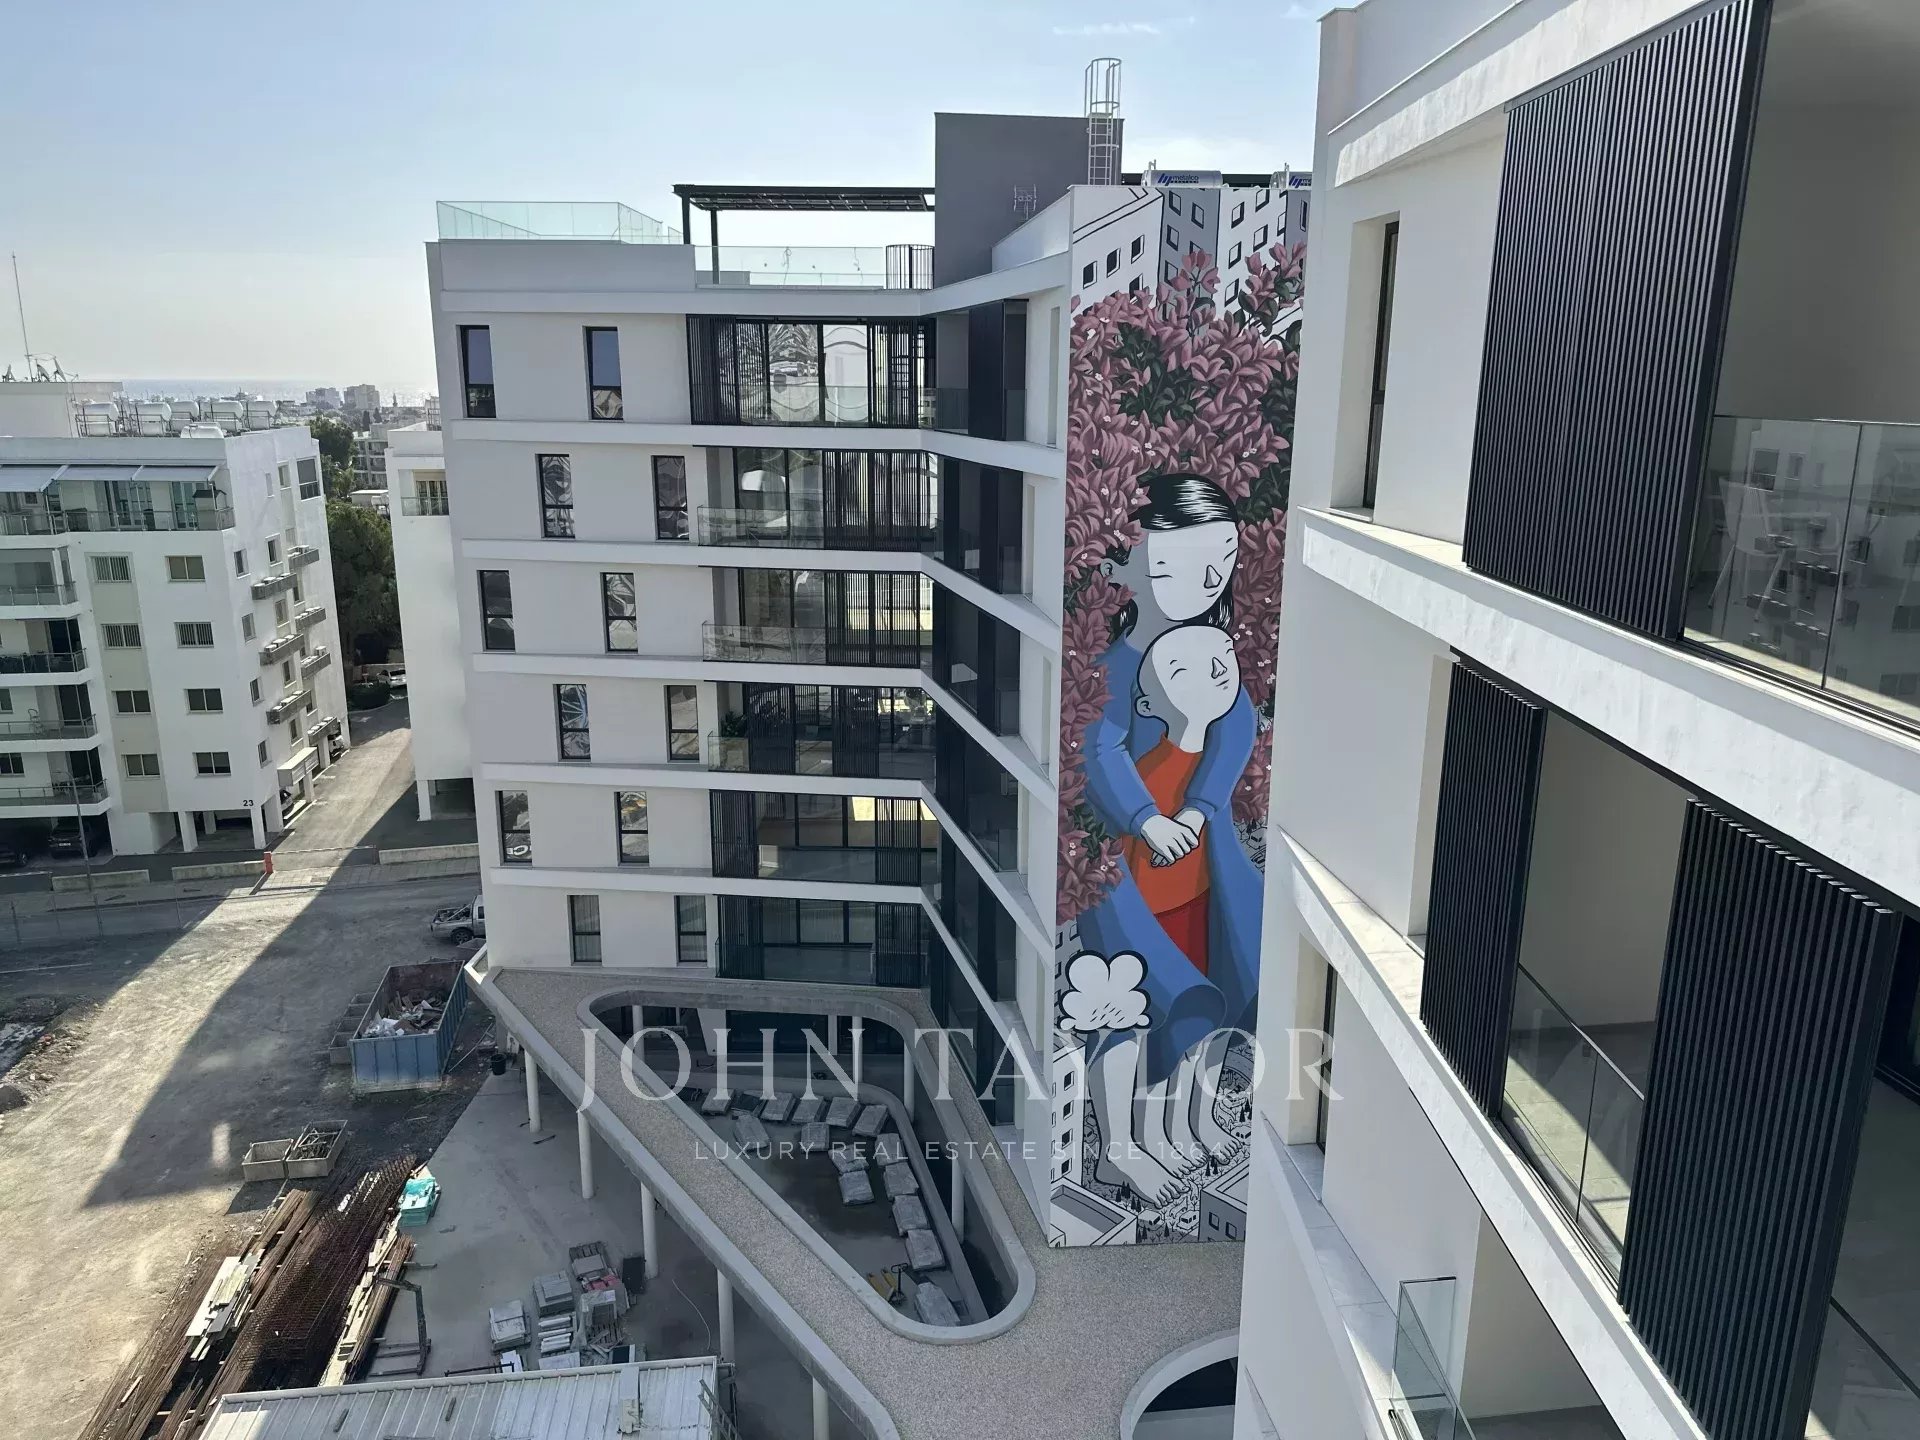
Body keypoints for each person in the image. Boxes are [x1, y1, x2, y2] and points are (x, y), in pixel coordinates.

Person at [1071, 473, 1264, 1205]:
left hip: (1200, 876)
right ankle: (1121, 1147)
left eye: (1220, 564)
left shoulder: (1215, 653)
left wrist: (1202, 808)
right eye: (1178, 564)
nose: (1205, 583)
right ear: (1127, 564)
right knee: (1130, 1009)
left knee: (1209, 996)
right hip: (1127, 882)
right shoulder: (1115, 667)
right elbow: (1097, 748)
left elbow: (1237, 725)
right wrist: (1147, 819)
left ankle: (1187, 1124)